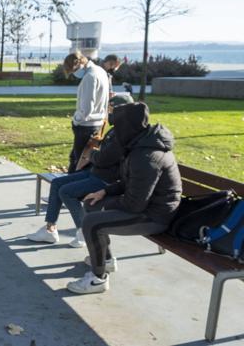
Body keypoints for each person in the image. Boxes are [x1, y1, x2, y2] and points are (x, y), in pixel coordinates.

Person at [67, 102, 182, 294]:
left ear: (127, 127)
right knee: (91, 204)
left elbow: (134, 204)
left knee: (91, 222)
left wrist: (107, 205)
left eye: (118, 126)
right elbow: (131, 182)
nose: (115, 131)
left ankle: (98, 279)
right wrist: (105, 192)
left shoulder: (147, 156)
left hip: (155, 216)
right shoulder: (140, 144)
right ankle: (106, 261)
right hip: (146, 206)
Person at [27, 95, 133, 247]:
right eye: (108, 109)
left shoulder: (123, 134)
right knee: (57, 183)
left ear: (122, 111)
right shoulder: (115, 130)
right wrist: (95, 155)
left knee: (66, 192)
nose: (108, 113)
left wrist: (92, 154)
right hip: (96, 172)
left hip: (105, 179)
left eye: (111, 109)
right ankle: (50, 230)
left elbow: (104, 158)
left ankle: (84, 231)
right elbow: (102, 155)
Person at [63, 51, 109, 173]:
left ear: (78, 65)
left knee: (80, 163)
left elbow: (86, 109)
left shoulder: (90, 77)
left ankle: (71, 188)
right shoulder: (100, 70)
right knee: (77, 159)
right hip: (97, 122)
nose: (74, 74)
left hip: (86, 124)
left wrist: (76, 120)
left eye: (73, 71)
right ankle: (69, 184)